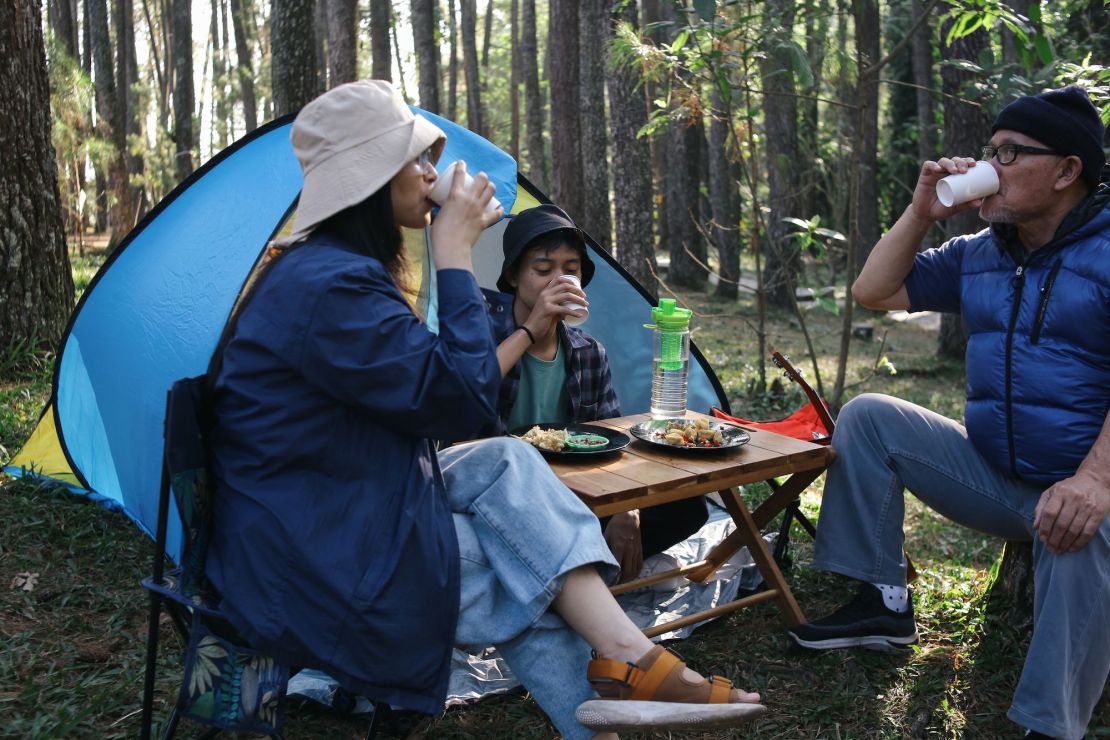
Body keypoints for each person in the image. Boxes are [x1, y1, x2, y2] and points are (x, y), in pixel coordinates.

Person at [203, 80, 764, 738]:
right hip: (313, 534)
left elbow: (446, 404)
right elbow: (455, 400)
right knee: (519, 566)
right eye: (416, 160)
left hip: (350, 489)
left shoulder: (335, 273)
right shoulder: (329, 285)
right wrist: (454, 252)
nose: (432, 173)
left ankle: (631, 659)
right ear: (373, 176)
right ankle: (624, 675)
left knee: (507, 457)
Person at [788, 85, 1109, 740]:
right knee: (870, 416)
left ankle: (1052, 725)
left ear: (1068, 170)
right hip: (1001, 477)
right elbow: (873, 290)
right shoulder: (982, 253)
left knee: (1079, 525)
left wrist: (1095, 480)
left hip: (1087, 483)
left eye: (1010, 153)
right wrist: (921, 213)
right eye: (990, 150)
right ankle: (882, 602)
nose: (989, 164)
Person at [484, 204, 709, 582]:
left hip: (573, 495)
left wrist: (627, 509)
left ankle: (572, 569)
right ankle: (581, 570)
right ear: (512, 277)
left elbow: (610, 440)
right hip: (505, 498)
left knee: (688, 507)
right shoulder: (485, 339)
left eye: (570, 270)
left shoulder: (588, 352)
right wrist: (529, 331)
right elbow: (461, 401)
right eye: (542, 269)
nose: (559, 280)